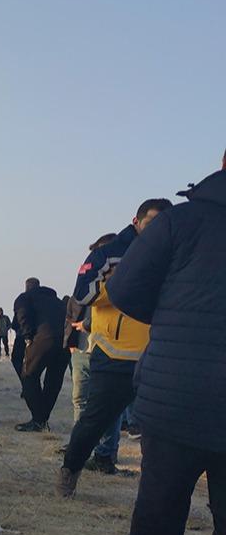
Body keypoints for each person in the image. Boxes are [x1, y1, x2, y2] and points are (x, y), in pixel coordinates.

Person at [97, 157, 226, 535]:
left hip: (177, 394)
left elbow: (124, 288)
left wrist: (172, 317)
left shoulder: (178, 219)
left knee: (160, 510)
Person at [56, 197, 173, 496]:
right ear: (136, 221)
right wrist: (127, 280)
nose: (155, 230)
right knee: (96, 419)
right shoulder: (110, 254)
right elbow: (82, 294)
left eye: (161, 224)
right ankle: (70, 469)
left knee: (161, 429)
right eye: (150, 223)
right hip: (114, 352)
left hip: (159, 354)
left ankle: (158, 489)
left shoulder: (174, 254)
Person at [61, 233, 125, 467]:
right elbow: (71, 312)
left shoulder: (126, 285)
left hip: (110, 352)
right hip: (80, 350)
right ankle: (80, 448)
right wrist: (69, 341)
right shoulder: (85, 285)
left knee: (109, 406)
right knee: (80, 401)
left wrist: (86, 325)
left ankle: (105, 455)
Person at [13, 278, 69, 431]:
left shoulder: (24, 298)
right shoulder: (57, 301)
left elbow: (21, 316)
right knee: (53, 383)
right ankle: (42, 419)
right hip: (65, 343)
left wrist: (27, 336)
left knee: (28, 376)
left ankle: (38, 420)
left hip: (43, 339)